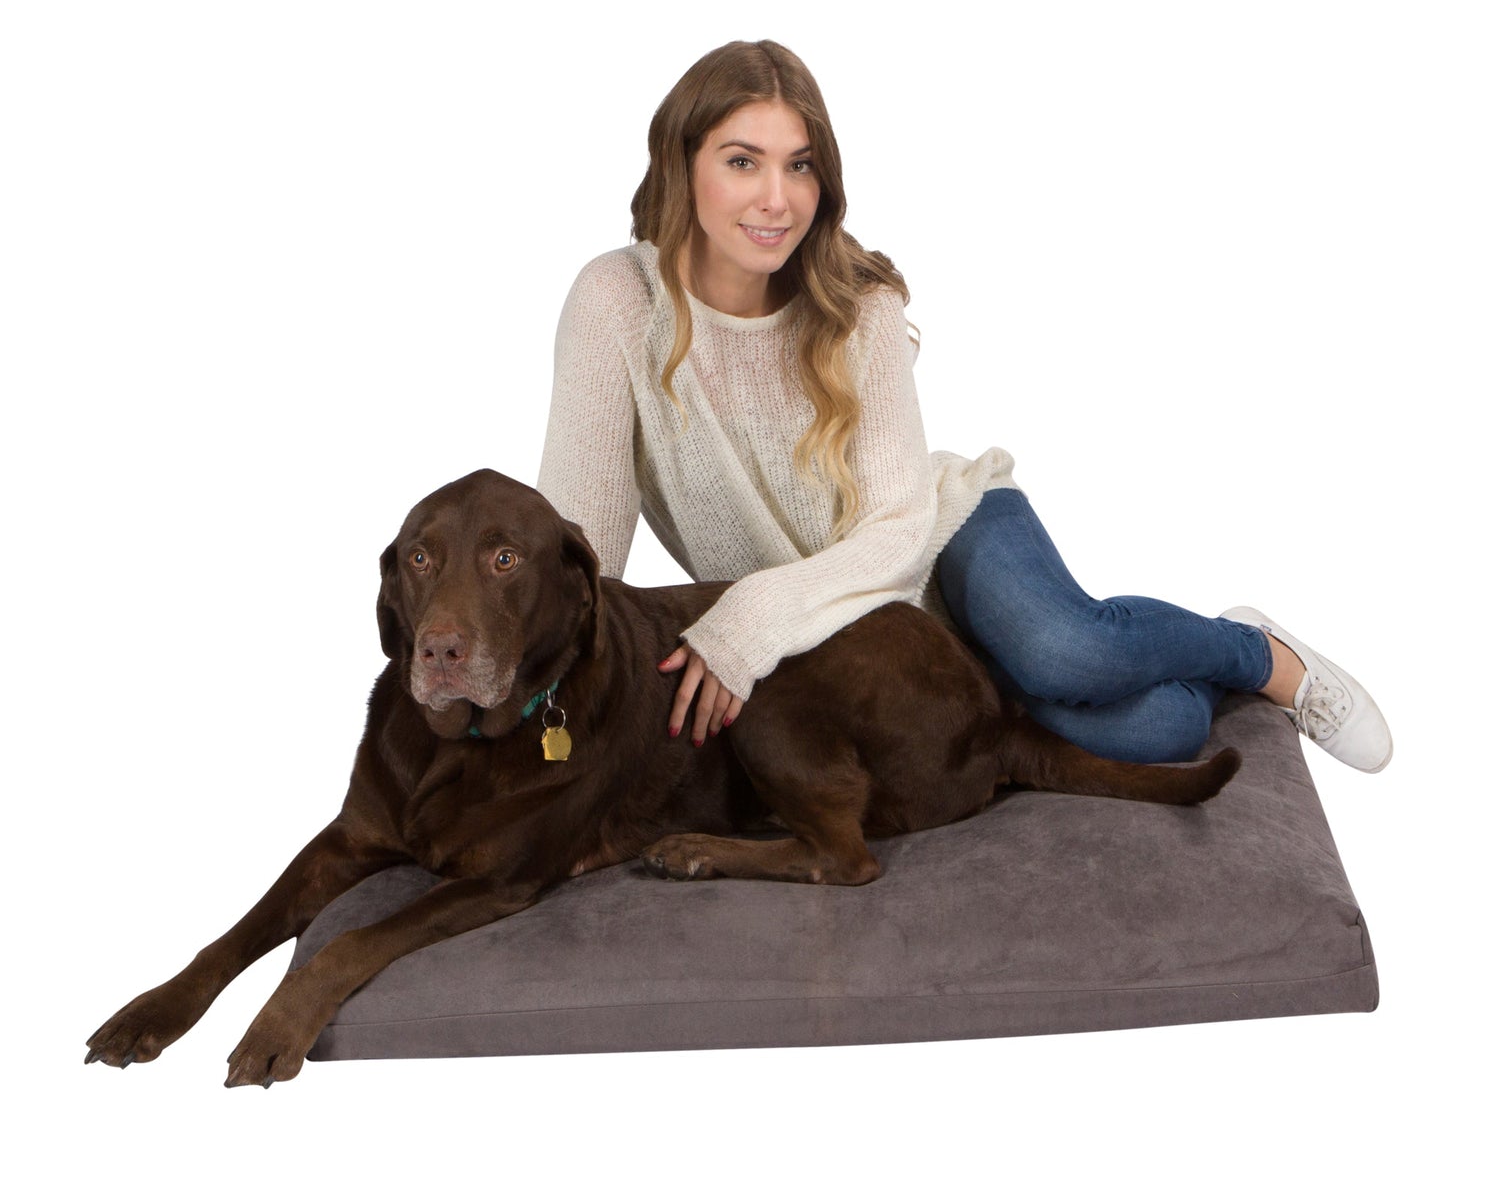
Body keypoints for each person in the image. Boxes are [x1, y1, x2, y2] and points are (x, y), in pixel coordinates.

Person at [536, 40, 1391, 773]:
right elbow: (582, 544)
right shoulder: (617, 302)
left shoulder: (852, 299)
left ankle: (1256, 651)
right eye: (741, 161)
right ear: (681, 163)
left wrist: (749, 619)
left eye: (800, 164)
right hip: (847, 636)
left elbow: (902, 526)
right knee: (1157, 727)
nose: (777, 199)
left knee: (1065, 650)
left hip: (942, 535)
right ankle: (1158, 665)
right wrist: (538, 679)